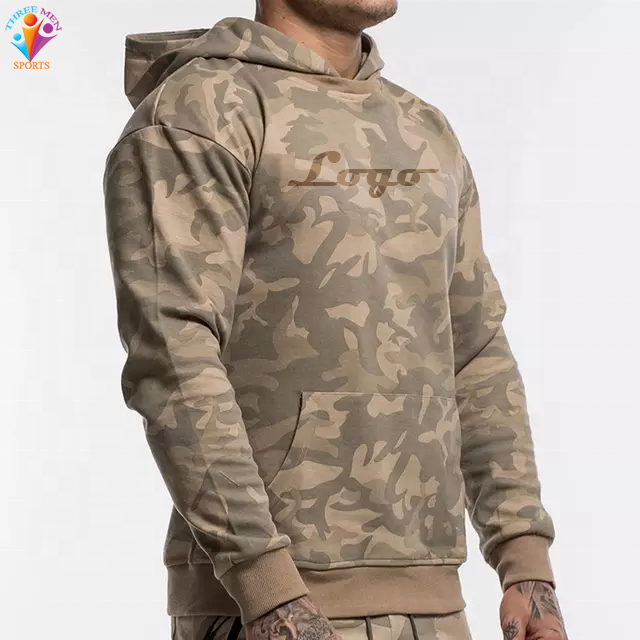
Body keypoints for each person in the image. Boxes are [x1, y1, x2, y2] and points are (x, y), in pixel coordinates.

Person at [103, 1, 568, 639]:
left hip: (436, 601)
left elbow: (475, 347)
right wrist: (267, 588)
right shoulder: (201, 111)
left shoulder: (424, 128)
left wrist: (525, 562)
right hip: (272, 606)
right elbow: (173, 353)